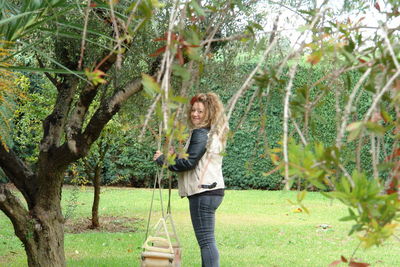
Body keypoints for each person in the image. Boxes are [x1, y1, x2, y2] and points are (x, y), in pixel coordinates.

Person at [153, 92, 229, 267]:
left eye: (200, 111)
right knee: (207, 241)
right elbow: (197, 159)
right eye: (193, 110)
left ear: (209, 113)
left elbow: (189, 162)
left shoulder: (201, 133)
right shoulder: (213, 133)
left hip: (203, 192)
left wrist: (162, 160)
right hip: (212, 191)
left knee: (206, 242)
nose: (195, 114)